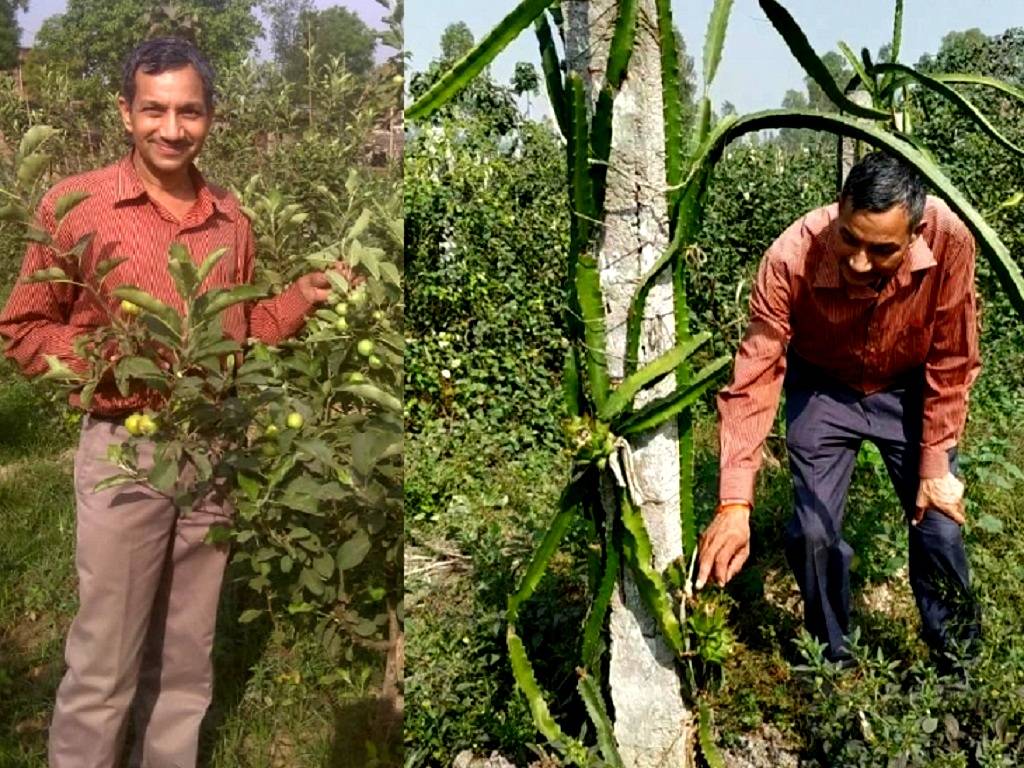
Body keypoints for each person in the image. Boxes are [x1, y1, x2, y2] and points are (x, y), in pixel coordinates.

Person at [0, 38, 358, 767]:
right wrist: (111, 363)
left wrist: (300, 298)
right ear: (125, 113)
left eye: (188, 111)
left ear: (211, 117)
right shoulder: (76, 206)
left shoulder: (232, 219)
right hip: (126, 450)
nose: (172, 128)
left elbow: (242, 329)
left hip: (213, 449)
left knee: (188, 655)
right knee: (106, 656)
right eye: (154, 109)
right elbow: (25, 327)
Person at [696, 151, 981, 667]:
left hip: (907, 388)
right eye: (849, 238)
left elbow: (953, 354)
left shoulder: (951, 240)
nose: (857, 261)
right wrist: (734, 503)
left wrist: (936, 465)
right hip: (824, 387)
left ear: (915, 234)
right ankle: (831, 657)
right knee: (811, 532)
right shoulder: (790, 256)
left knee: (939, 526)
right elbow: (756, 376)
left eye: (881, 249)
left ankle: (959, 665)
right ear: (839, 207)